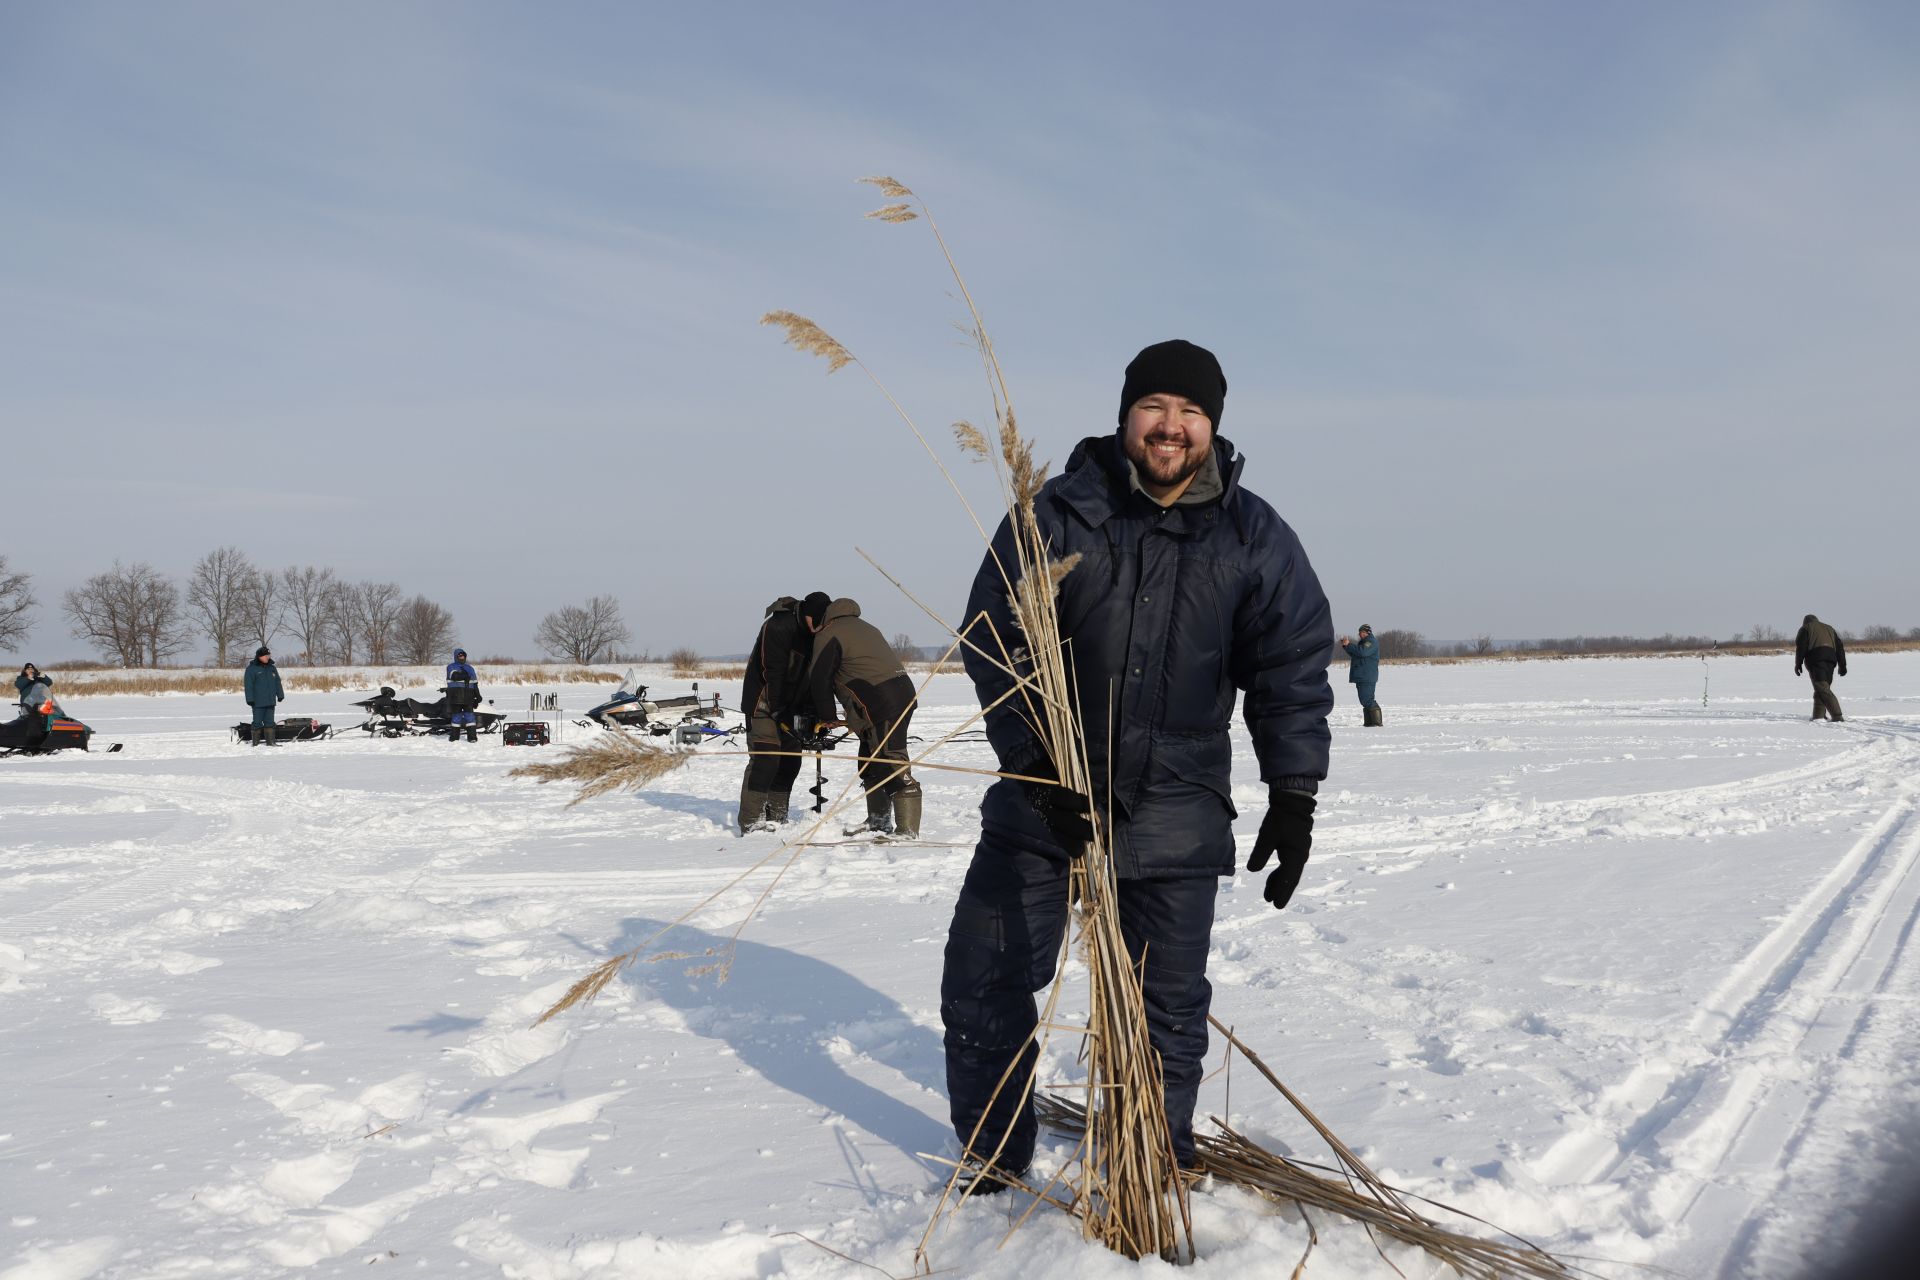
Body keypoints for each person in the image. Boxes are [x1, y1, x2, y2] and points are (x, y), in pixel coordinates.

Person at [943, 338, 1334, 1188]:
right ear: (1126, 416)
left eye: (1191, 412)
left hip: (1175, 808)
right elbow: (995, 642)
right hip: (1041, 806)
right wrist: (1037, 764)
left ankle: (1148, 1173)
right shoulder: (1054, 513)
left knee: (1165, 1015)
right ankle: (990, 1172)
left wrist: (1293, 792)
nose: (1172, 426)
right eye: (1156, 407)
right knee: (984, 984)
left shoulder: (1253, 534)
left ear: (1212, 427)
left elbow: (1291, 667)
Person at [800, 592, 922, 838]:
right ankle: (878, 821)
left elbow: (819, 679)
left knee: (889, 759)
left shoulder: (829, 632)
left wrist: (826, 715)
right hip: (900, 692)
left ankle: (908, 832)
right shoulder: (866, 627)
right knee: (869, 760)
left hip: (881, 701)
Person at [737, 594, 816, 833]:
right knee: (766, 760)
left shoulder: (813, 634)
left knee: (791, 761)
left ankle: (777, 815)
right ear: (808, 614)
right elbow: (774, 671)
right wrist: (779, 709)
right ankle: (751, 821)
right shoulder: (778, 625)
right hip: (762, 704)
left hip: (791, 706)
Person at [1794, 614, 1847, 722]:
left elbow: (1801, 647)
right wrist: (1842, 665)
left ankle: (1837, 716)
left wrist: (1798, 664)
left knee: (1822, 688)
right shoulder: (1829, 628)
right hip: (1831, 660)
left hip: (1816, 659)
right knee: (1822, 688)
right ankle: (1818, 716)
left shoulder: (1806, 628)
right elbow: (1840, 647)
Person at [1340, 624, 1382, 726]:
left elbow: (1363, 652)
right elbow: (1356, 654)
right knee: (1364, 700)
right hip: (1362, 675)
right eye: (1359, 632)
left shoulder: (1371, 642)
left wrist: (1350, 645)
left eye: (1362, 632)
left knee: (1367, 699)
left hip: (1366, 675)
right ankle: (1369, 723)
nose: (1360, 634)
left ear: (1368, 632)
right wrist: (1346, 646)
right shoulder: (1363, 643)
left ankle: (1376, 723)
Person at [243, 646, 283, 746]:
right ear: (259, 656)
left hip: (270, 701)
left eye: (268, 655)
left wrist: (280, 694)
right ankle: (255, 743)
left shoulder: (272, 668)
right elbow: (248, 685)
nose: (267, 657)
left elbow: (277, 682)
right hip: (258, 702)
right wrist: (250, 699)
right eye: (265, 655)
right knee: (257, 723)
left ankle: (271, 742)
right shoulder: (251, 669)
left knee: (270, 722)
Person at [445, 648, 480, 742]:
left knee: (470, 717)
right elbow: (454, 676)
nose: (462, 657)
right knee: (456, 717)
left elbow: (475, 684)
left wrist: (478, 696)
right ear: (456, 657)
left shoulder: (470, 668)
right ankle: (454, 737)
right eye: (460, 655)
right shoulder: (451, 667)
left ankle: (472, 737)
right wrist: (465, 676)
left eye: (463, 655)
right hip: (456, 696)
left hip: (468, 697)